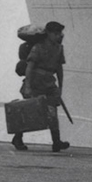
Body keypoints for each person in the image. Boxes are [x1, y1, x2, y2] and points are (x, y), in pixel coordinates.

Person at [15, 21, 69, 152]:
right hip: (36, 82)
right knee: (31, 112)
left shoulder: (59, 48)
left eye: (60, 33)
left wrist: (60, 88)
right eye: (56, 33)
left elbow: (59, 69)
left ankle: (56, 142)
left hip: (50, 83)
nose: (59, 36)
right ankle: (18, 137)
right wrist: (27, 86)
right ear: (48, 34)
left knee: (52, 112)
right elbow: (30, 67)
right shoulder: (38, 47)